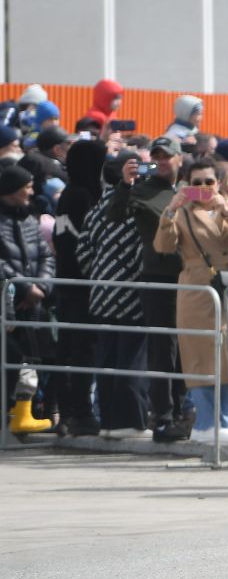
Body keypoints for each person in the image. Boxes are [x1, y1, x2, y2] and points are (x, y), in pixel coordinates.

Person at [153, 158, 228, 447]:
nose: (203, 188)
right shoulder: (181, 213)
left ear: (218, 183)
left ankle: (222, 422)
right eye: (196, 183)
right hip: (198, 290)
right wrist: (170, 210)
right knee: (201, 358)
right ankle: (206, 423)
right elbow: (163, 246)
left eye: (208, 182)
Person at [111, 135, 189, 439]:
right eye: (157, 156)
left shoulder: (190, 189)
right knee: (163, 349)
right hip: (159, 278)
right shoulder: (143, 190)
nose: (162, 161)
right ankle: (163, 418)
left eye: (167, 156)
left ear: (180, 158)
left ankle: (181, 410)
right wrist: (125, 185)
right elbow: (115, 215)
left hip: (192, 278)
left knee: (188, 346)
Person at [77, 152, 148, 436]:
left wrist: (100, 277)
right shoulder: (136, 206)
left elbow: (83, 251)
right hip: (133, 291)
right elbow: (142, 251)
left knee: (107, 360)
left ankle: (107, 421)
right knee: (132, 358)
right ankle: (130, 421)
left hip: (101, 293)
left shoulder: (95, 209)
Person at [48, 137, 108, 437]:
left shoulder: (69, 193)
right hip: (83, 284)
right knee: (82, 349)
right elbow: (88, 241)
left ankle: (67, 412)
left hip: (67, 281)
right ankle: (79, 412)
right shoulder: (84, 195)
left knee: (68, 350)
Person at [0, 162, 55, 435]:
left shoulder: (30, 219)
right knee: (7, 358)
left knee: (31, 358)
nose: (31, 192)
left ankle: (23, 415)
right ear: (12, 189)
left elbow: (46, 256)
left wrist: (41, 288)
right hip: (7, 303)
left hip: (32, 305)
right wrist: (23, 288)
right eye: (27, 186)